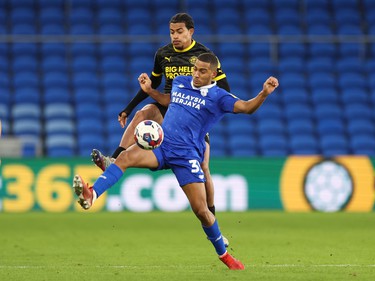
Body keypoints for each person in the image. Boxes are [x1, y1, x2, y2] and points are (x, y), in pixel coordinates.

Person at [73, 53, 279, 270]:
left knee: (201, 211)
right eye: (195, 69)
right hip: (163, 146)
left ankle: (225, 256)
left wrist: (263, 94)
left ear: (213, 74)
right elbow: (168, 101)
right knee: (125, 157)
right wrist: (151, 92)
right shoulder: (181, 82)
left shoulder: (219, 97)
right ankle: (92, 194)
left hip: (187, 156)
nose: (196, 74)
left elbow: (246, 108)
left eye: (202, 71)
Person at [91, 13, 231, 229]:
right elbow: (154, 82)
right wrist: (129, 107)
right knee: (142, 114)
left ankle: (212, 215)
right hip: (168, 107)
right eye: (172, 32)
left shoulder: (205, 57)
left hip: (192, 116)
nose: (175, 36)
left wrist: (203, 102)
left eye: (180, 31)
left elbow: (225, 91)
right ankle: (114, 158)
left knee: (204, 168)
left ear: (191, 32)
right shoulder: (163, 54)